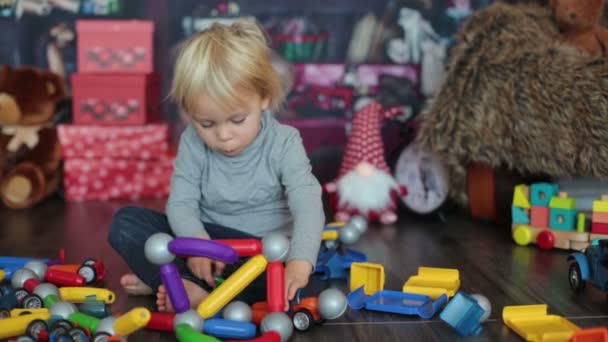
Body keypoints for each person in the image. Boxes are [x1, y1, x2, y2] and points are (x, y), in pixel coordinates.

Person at [108, 19, 325, 312]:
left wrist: (300, 262)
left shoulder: (285, 142)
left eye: (237, 120)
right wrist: (197, 245)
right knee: (126, 223)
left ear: (264, 98)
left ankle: (175, 283)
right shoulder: (192, 143)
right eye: (206, 123)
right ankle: (185, 283)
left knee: (282, 277)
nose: (224, 136)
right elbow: (182, 204)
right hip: (203, 243)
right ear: (189, 112)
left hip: (258, 253)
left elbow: (307, 203)